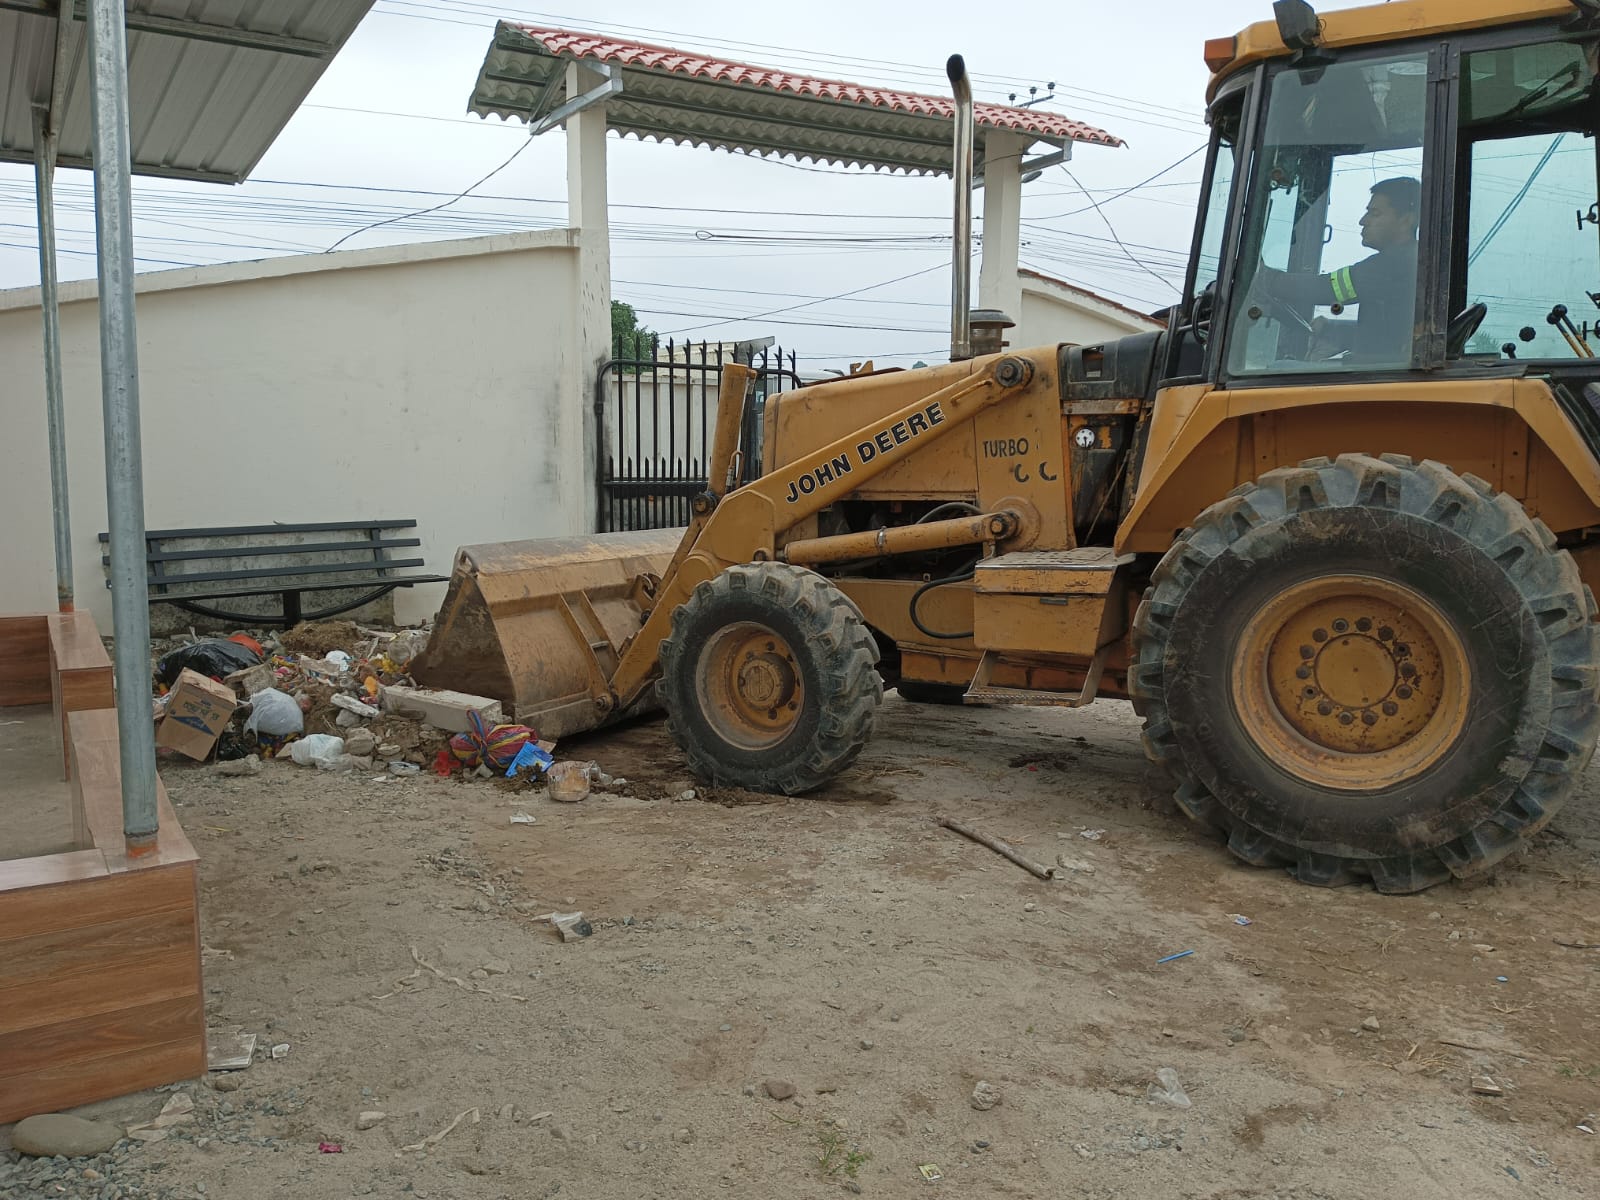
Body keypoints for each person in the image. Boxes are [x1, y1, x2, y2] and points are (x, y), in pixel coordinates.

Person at [1256, 176, 1420, 363]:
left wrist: (1266, 280)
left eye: (1375, 214)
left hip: (1382, 374)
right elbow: (1386, 336)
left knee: (1278, 369)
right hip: (1384, 370)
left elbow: (1329, 288)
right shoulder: (1408, 259)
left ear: (1406, 220)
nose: (1363, 221)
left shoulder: (1396, 263)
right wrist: (1334, 328)